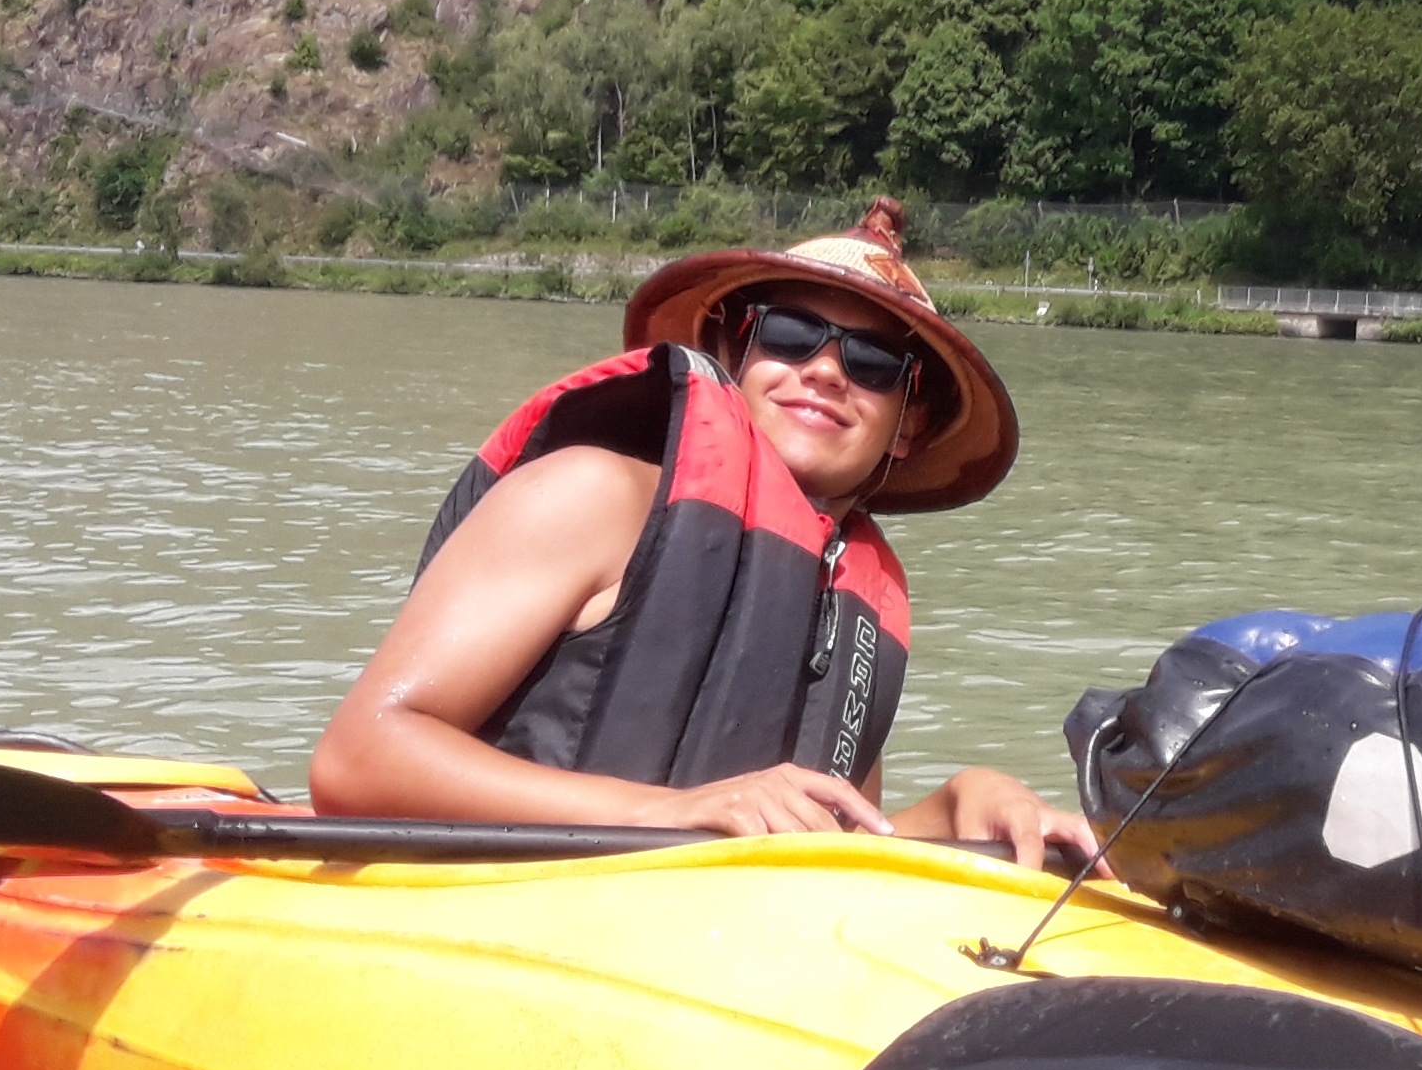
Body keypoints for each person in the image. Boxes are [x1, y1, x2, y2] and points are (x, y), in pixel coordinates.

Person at [310, 199, 1096, 870]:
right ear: (732, 354)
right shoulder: (589, 496)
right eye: (790, 334)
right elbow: (358, 757)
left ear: (907, 425)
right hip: (493, 922)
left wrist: (957, 806)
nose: (826, 371)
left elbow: (823, 844)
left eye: (873, 363)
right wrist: (670, 812)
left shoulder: (846, 604)